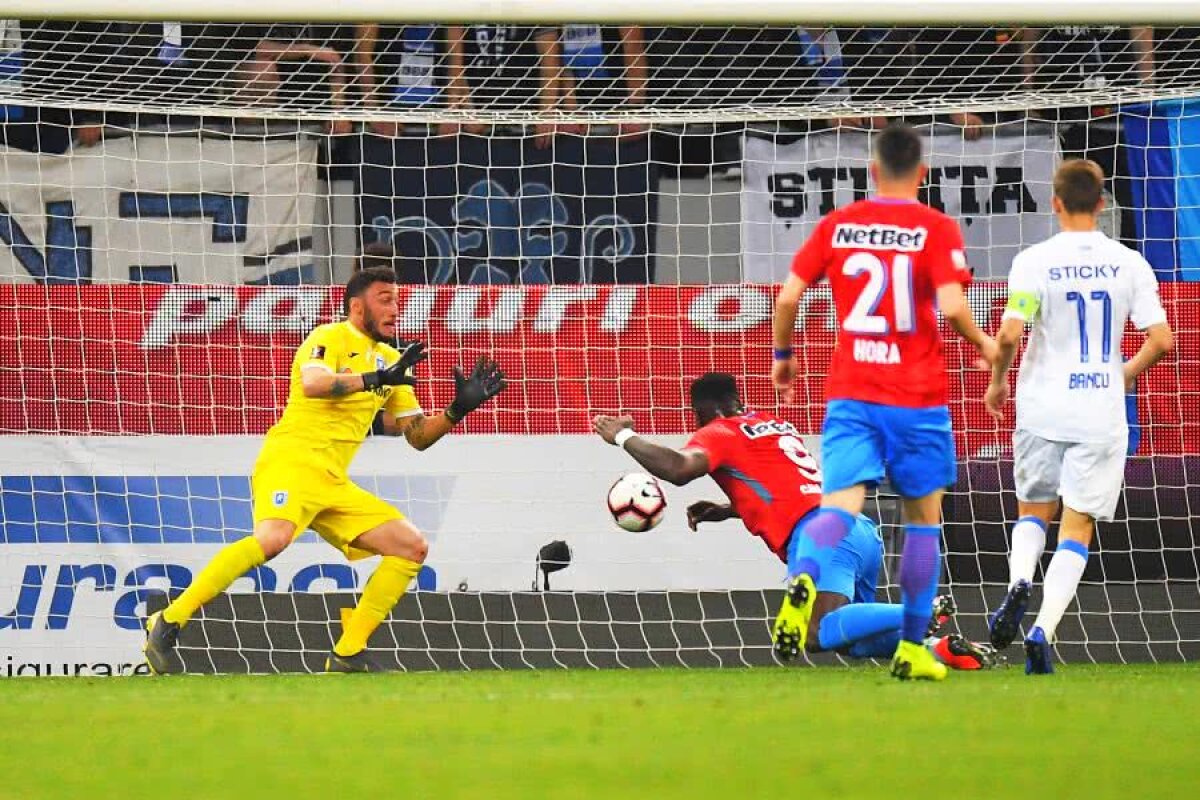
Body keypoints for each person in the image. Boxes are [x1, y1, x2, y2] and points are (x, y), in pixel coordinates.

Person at [143, 267, 506, 673]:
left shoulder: (393, 362)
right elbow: (314, 384)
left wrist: (458, 410)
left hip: (332, 482)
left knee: (411, 546)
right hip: (293, 460)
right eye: (384, 299)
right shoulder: (329, 336)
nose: (395, 308)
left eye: (397, 300)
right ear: (357, 306)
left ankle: (348, 652)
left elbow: (415, 435)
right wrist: (373, 379)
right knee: (273, 539)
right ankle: (169, 619)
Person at [771, 123, 996, 681]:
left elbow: (790, 295)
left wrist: (784, 355)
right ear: (922, 173)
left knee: (838, 508)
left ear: (872, 172)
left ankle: (804, 576)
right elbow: (951, 305)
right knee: (923, 523)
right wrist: (987, 346)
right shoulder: (934, 227)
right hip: (917, 398)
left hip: (851, 393)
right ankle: (912, 648)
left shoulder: (839, 225)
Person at [593, 373, 998, 670]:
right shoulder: (772, 426)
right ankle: (941, 649)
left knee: (817, 633)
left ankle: (919, 609)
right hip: (856, 530)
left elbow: (680, 468)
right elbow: (791, 487)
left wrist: (624, 437)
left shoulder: (719, 432)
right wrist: (732, 509)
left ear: (701, 411)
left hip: (819, 539)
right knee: (852, 639)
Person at [984, 159, 1173, 674]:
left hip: (1043, 406)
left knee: (1031, 513)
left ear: (1056, 203)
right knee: (1078, 525)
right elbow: (1161, 340)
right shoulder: (1129, 262)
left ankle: (1019, 579)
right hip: (1099, 409)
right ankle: (1043, 629)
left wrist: (998, 381)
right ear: (1104, 203)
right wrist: (1123, 374)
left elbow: (1007, 335)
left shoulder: (1034, 261)